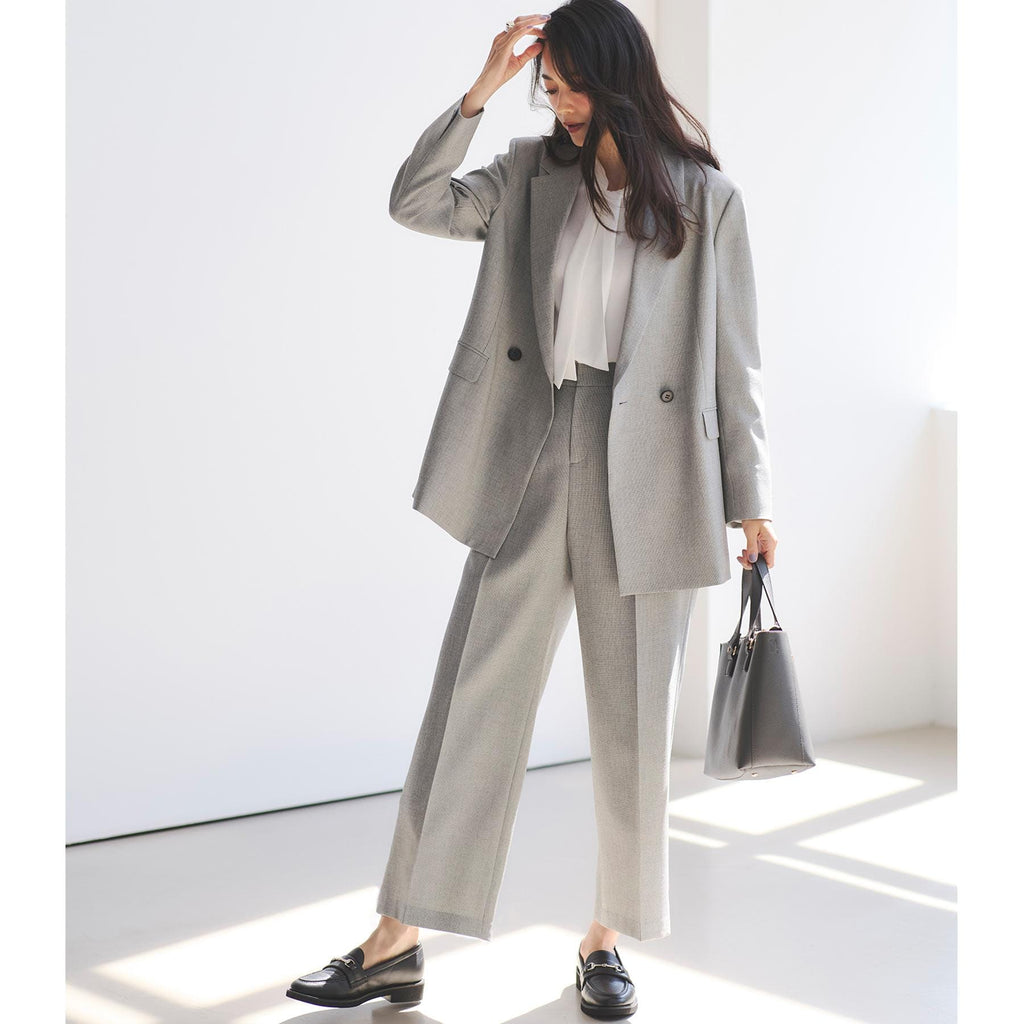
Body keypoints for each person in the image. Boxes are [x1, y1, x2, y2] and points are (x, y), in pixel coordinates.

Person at [287, 0, 778, 1016]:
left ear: (617, 77)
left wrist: (753, 503)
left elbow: (736, 363)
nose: (556, 103)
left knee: (633, 721)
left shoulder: (706, 198)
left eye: (569, 85)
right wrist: (479, 90)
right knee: (472, 698)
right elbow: (416, 202)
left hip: (658, 471)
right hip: (537, 447)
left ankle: (606, 939)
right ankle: (397, 936)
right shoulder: (523, 174)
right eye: (545, 87)